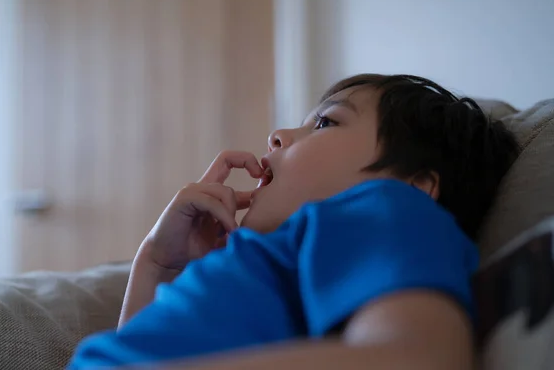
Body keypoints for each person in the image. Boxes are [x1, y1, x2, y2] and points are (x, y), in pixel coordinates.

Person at [68, 74, 519, 369]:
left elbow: (418, 357)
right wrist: (157, 263)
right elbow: (139, 348)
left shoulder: (389, 208)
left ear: (414, 184)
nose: (277, 135)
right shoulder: (273, 255)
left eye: (325, 124)